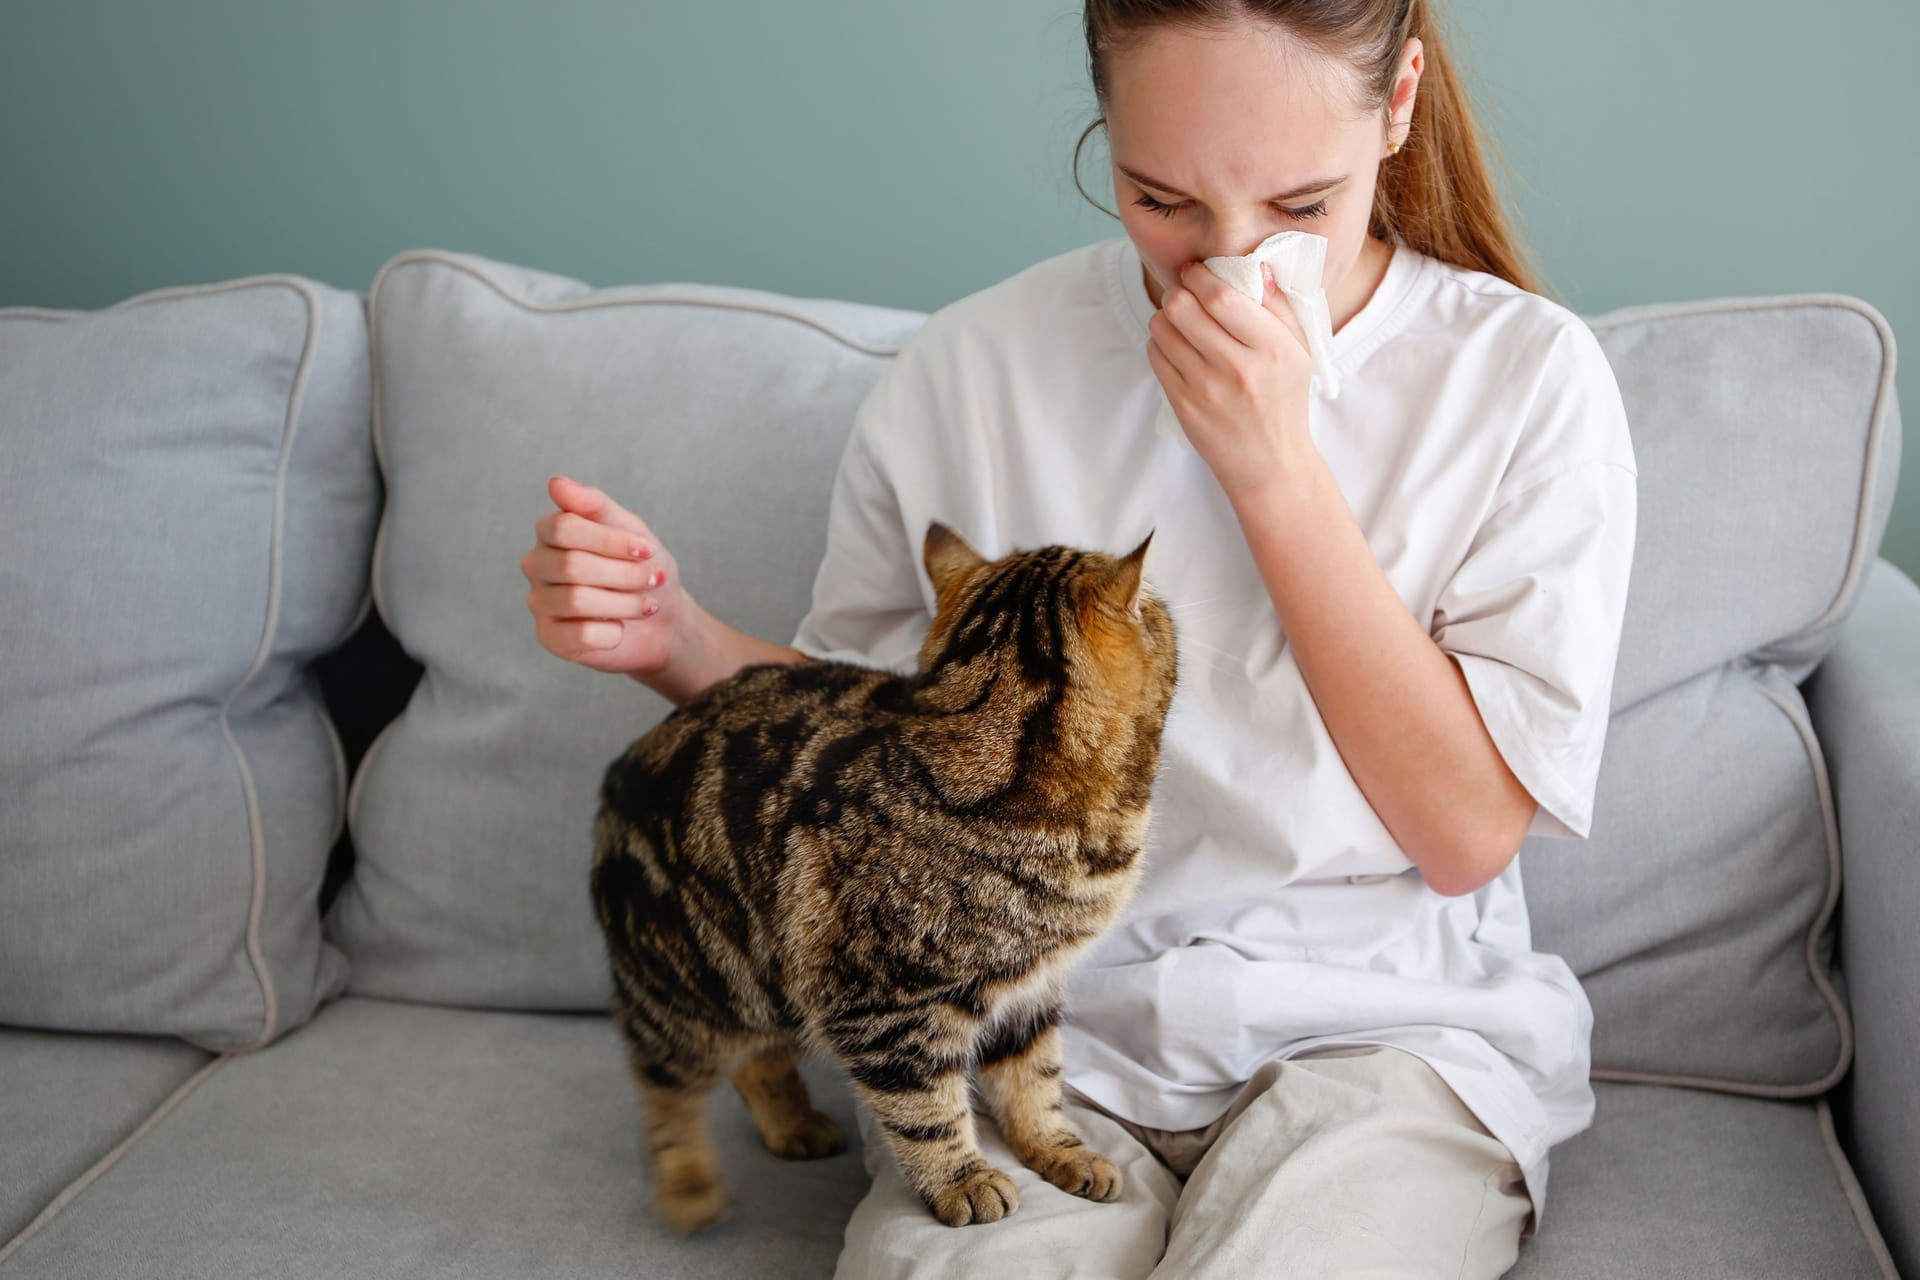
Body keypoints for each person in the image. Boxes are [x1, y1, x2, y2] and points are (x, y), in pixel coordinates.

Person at [521, 0, 1638, 1274]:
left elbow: (1466, 834)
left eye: (1299, 207)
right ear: (1105, 128)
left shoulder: (1523, 379)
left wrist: (1273, 472)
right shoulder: (972, 367)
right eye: (1162, 200)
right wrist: (676, 636)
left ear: (1399, 105)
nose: (1225, 265)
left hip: (1383, 1040)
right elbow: (879, 748)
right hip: (1032, 1025)